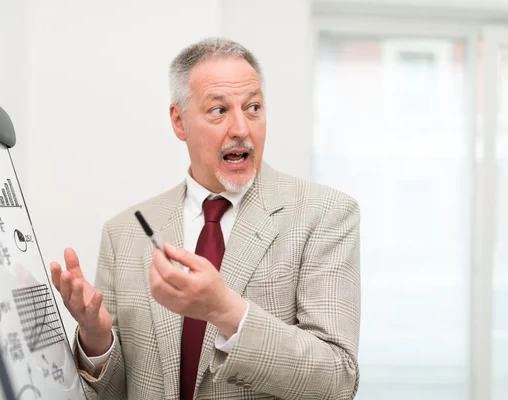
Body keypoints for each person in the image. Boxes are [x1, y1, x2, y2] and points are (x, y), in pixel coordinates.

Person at [50, 37, 361, 400]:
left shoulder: (326, 214)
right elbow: (115, 391)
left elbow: (338, 380)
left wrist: (224, 309)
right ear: (179, 122)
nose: (242, 129)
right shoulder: (124, 233)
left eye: (253, 107)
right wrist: (96, 338)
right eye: (219, 110)